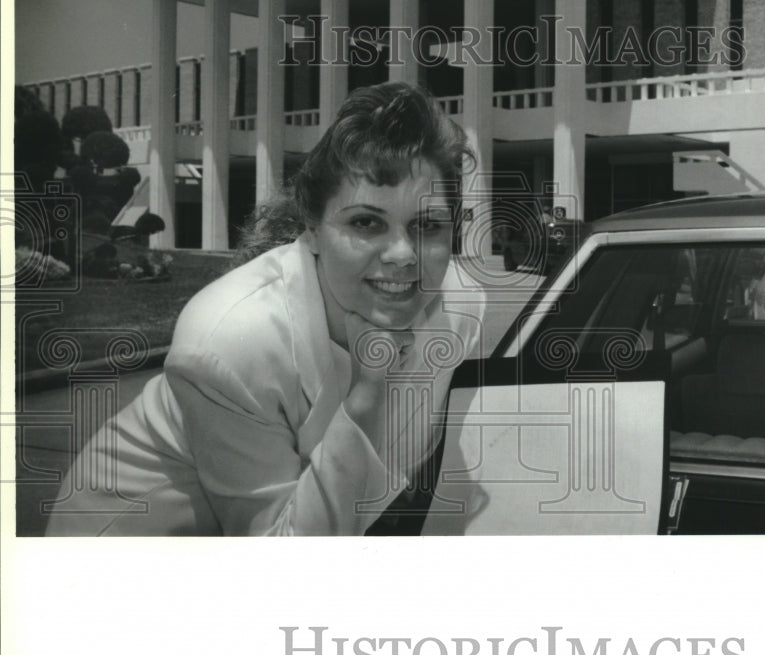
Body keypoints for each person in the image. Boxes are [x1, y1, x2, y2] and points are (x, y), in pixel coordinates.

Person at [46, 82, 485, 536]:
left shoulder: (460, 307)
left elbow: (421, 470)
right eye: (366, 222)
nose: (402, 254)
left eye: (428, 225)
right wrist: (367, 393)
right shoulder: (230, 337)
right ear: (312, 228)